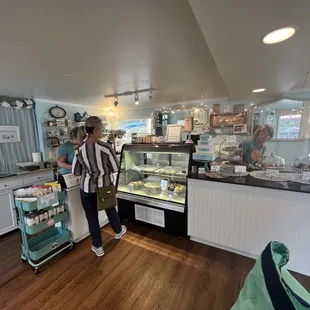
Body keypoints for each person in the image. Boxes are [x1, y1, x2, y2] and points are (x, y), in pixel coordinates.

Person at [72, 116, 126, 257]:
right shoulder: (106, 147)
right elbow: (115, 167)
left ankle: (98, 246)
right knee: (110, 210)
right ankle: (118, 231)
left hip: (86, 188)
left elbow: (75, 171)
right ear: (96, 130)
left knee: (91, 217)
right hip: (104, 187)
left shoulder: (79, 149)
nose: (102, 130)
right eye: (101, 127)